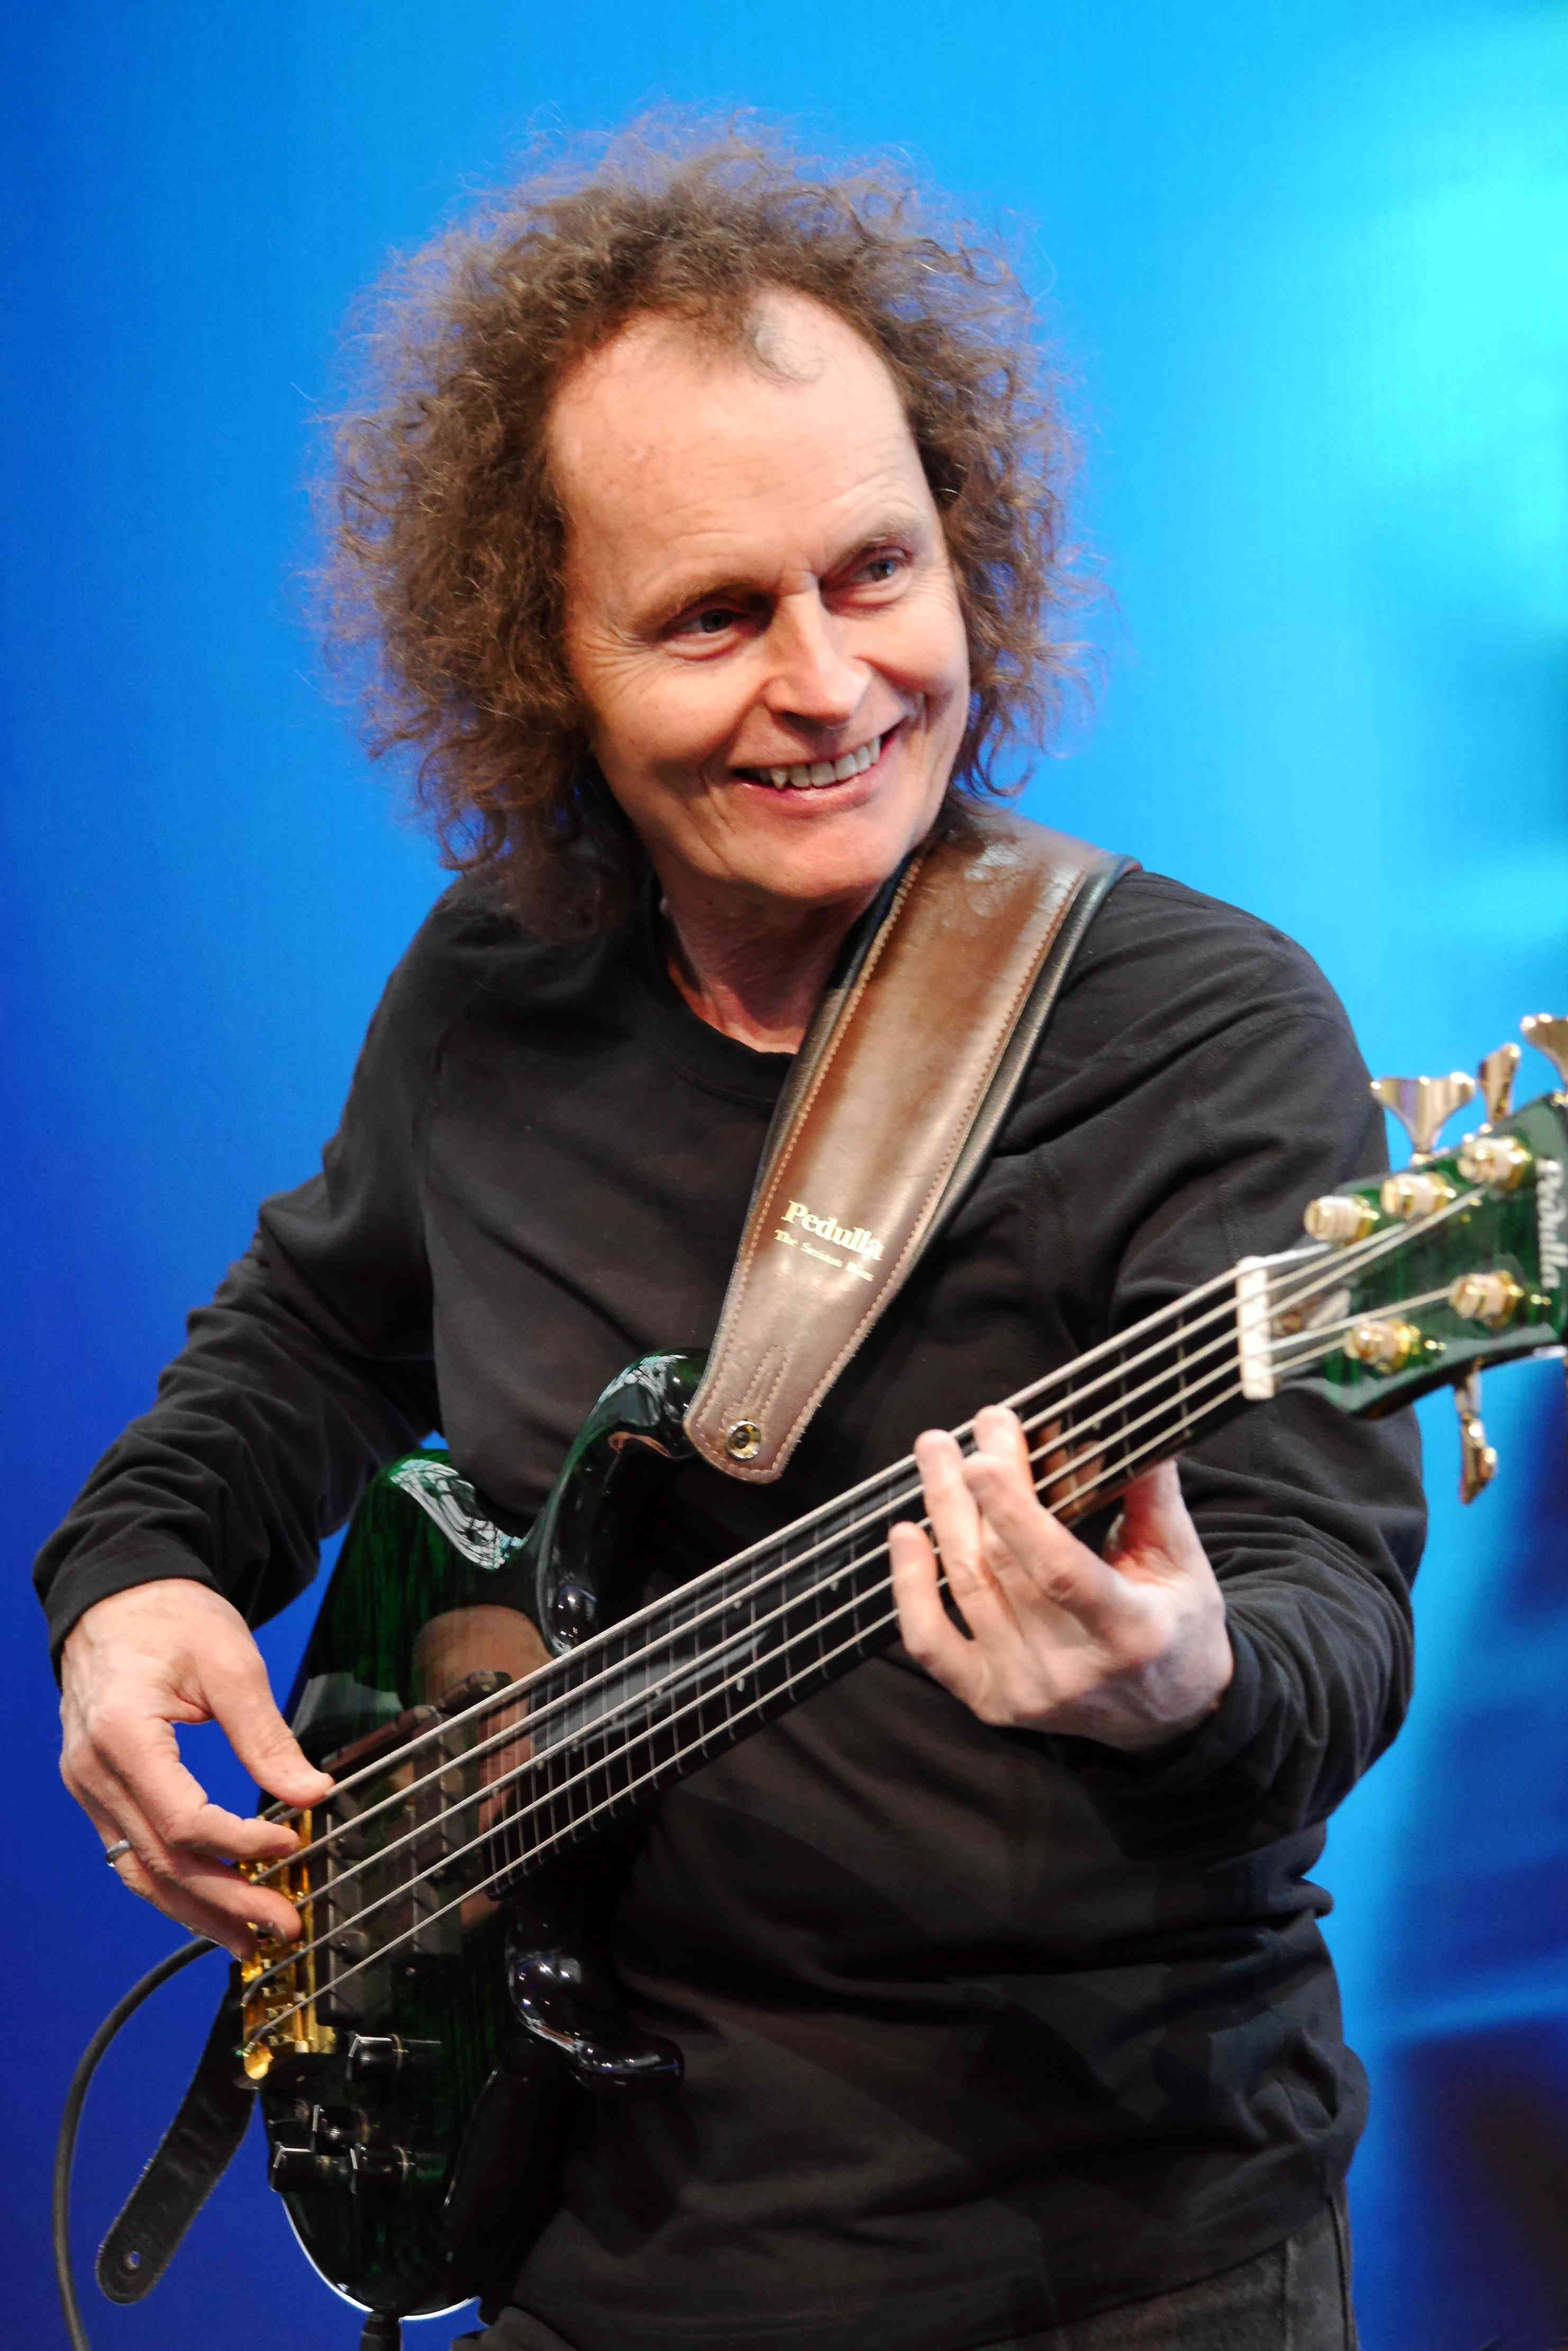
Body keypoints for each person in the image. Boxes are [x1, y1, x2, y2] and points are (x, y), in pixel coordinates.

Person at [37, 131, 1424, 2351]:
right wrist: (134, 1577)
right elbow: (314, 1328)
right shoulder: (497, 981)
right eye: (713, 617)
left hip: (1104, 2261)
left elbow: (1318, 1609)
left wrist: (1185, 1677)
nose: (832, 681)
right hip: (575, 2226)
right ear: (548, 669)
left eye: (878, 572)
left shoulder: (1201, 1030)